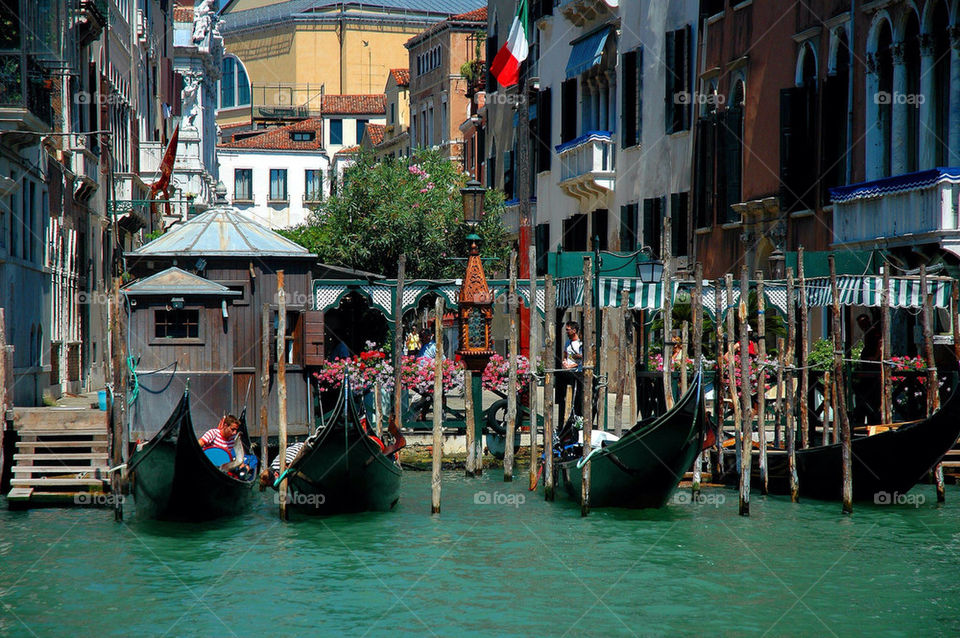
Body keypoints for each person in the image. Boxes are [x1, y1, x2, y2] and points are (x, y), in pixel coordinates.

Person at [556, 321, 584, 434]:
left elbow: (583, 359)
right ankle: (563, 422)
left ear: (574, 330)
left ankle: (578, 420)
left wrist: (572, 365)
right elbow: (565, 354)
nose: (566, 331)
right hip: (567, 372)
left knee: (577, 398)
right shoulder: (567, 342)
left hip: (577, 373)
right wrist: (564, 362)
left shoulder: (580, 343)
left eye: (568, 329)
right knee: (563, 396)